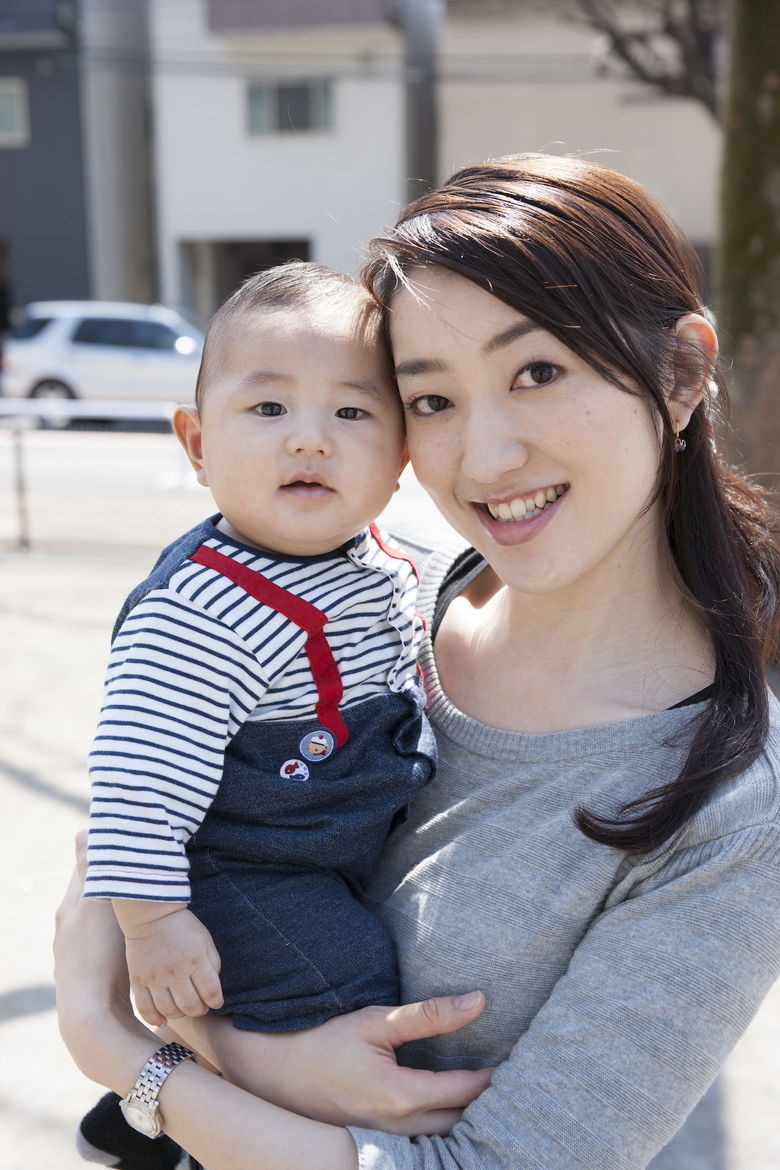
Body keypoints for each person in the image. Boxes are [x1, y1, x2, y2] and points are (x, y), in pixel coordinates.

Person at [56, 153, 780, 1170]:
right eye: (432, 400)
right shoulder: (388, 595)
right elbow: (136, 818)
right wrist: (216, 1054)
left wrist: (124, 1050)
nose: (484, 460)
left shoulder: (732, 810)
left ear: (681, 375)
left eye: (538, 373)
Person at [78, 261, 436, 1168]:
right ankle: (226, 1139)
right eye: (268, 408)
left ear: (402, 456)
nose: (309, 440)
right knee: (342, 980)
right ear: (197, 443)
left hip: (327, 842)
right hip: (237, 870)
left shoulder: (383, 556)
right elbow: (136, 781)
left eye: (351, 412)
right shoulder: (202, 612)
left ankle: (132, 1123)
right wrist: (154, 926)